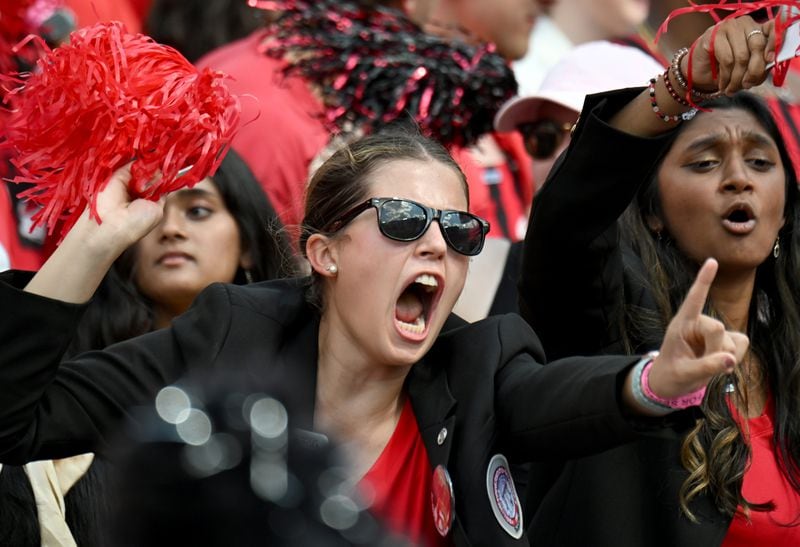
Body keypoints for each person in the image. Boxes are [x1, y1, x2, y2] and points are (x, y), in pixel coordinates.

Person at [0, 126, 748, 545]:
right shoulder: (230, 334)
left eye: (458, 230)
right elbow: (15, 419)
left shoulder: (481, 359)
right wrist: (98, 238)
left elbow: (560, 396)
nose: (434, 246)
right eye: (400, 222)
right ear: (323, 253)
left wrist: (654, 378)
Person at [521, 14, 800, 546]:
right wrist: (682, 84)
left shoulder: (792, 364)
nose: (739, 177)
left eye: (760, 161)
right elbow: (569, 218)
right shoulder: (610, 337)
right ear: (651, 211)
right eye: (704, 162)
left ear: (784, 210)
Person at [0, 149, 296, 547]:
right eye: (154, 209)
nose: (170, 229)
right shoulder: (66, 385)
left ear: (247, 240)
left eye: (198, 211)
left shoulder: (306, 364)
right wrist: (96, 235)